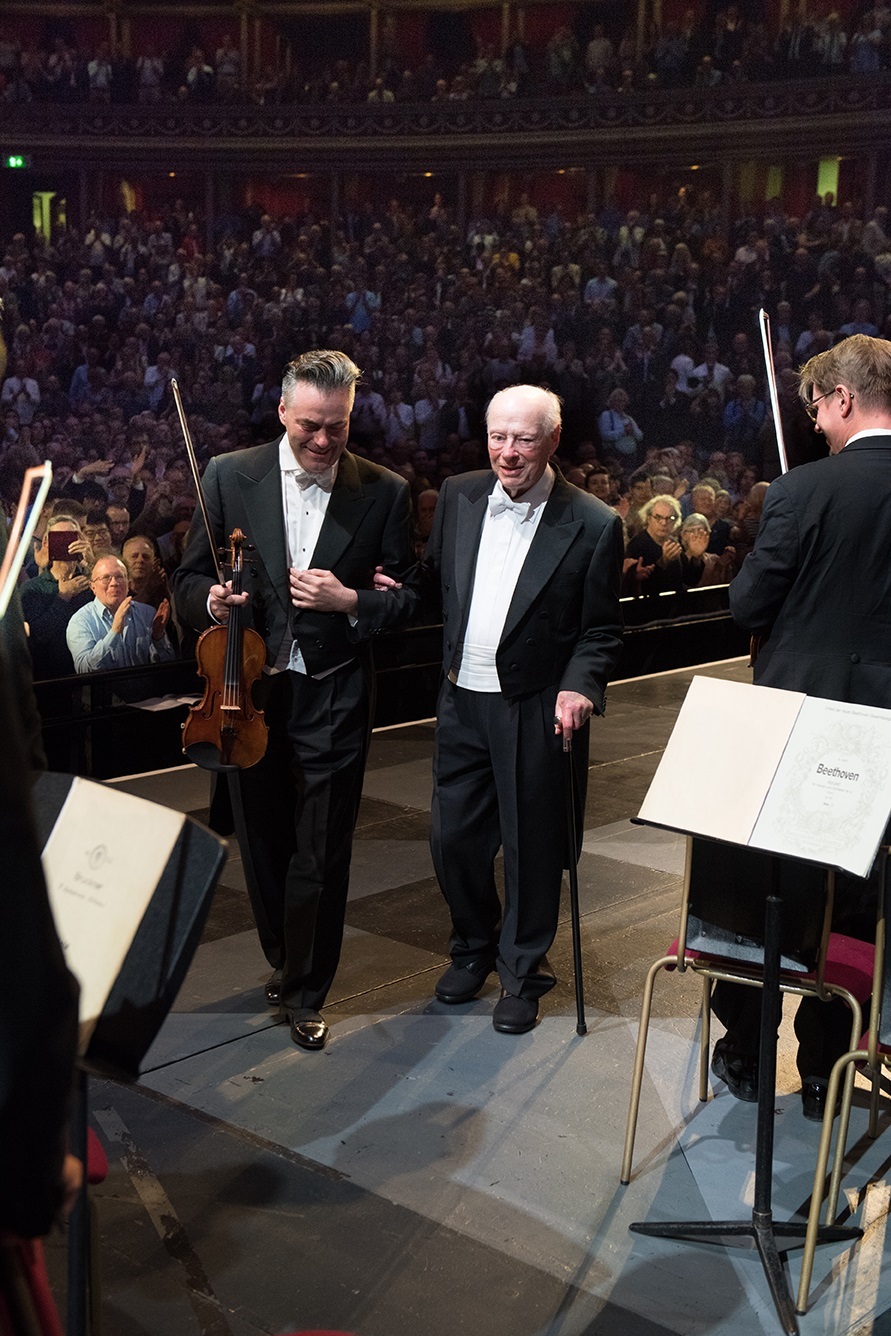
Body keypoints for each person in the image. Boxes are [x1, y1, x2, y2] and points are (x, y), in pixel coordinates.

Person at [173, 350, 418, 1052]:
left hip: (335, 688)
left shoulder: (385, 491)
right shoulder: (227, 475)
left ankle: (309, 987)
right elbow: (189, 579)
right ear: (283, 412)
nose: (321, 441)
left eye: (336, 427)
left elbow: (405, 600)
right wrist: (210, 600)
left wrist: (351, 602)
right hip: (243, 690)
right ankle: (284, 957)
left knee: (322, 846)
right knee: (263, 840)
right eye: (310, 424)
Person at [384, 384, 623, 1033]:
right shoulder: (460, 496)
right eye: (497, 436)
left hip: (535, 703)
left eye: (522, 438)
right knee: (452, 839)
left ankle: (521, 969)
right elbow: (436, 582)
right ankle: (472, 945)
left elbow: (599, 630)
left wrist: (580, 685)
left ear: (551, 439)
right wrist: (387, 589)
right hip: (461, 698)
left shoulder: (594, 523)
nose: (507, 452)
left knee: (530, 847)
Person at [716, 333, 891, 1120]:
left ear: (842, 400)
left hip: (801, 724)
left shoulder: (799, 492)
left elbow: (747, 607)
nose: (814, 423)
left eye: (816, 407)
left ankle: (747, 1054)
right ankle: (827, 1066)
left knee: (770, 892)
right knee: (859, 903)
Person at [66, 554, 174, 673]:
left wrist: (158, 638)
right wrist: (114, 632)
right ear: (93, 587)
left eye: (120, 577)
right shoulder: (81, 621)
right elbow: (85, 670)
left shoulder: (147, 613)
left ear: (128, 584)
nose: (114, 583)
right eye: (106, 578)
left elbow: (167, 668)